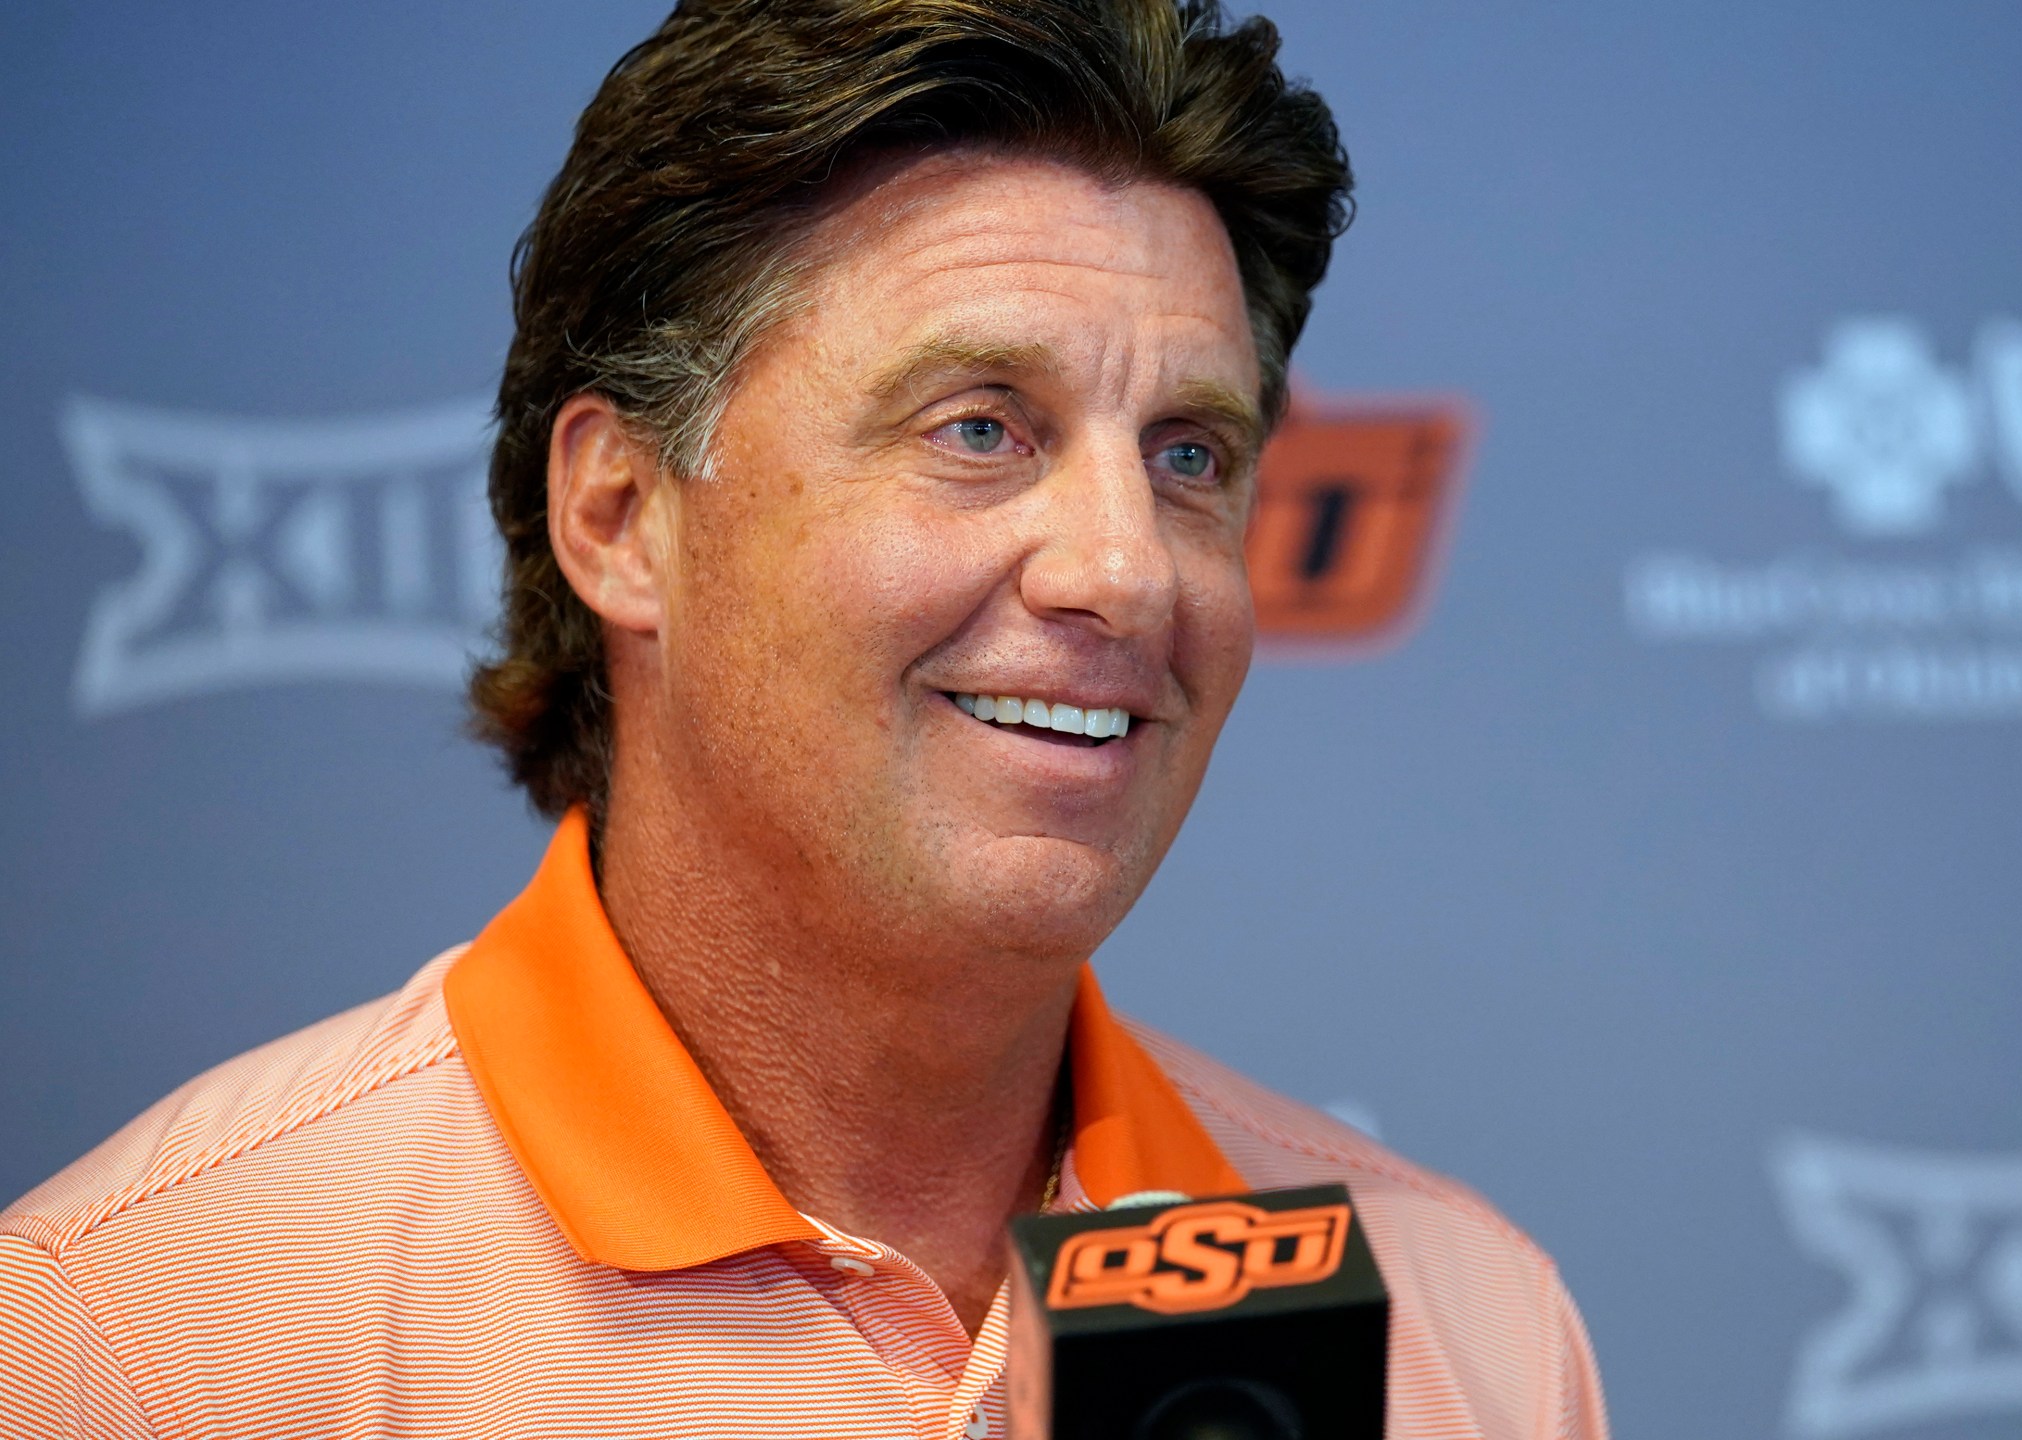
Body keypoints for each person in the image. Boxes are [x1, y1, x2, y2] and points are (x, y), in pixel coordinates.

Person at [0, 2, 1607, 1435]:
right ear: (623, 513)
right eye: (981, 427)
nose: (1129, 570)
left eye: (1191, 454)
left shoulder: (1462, 1330)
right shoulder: (129, 1341)